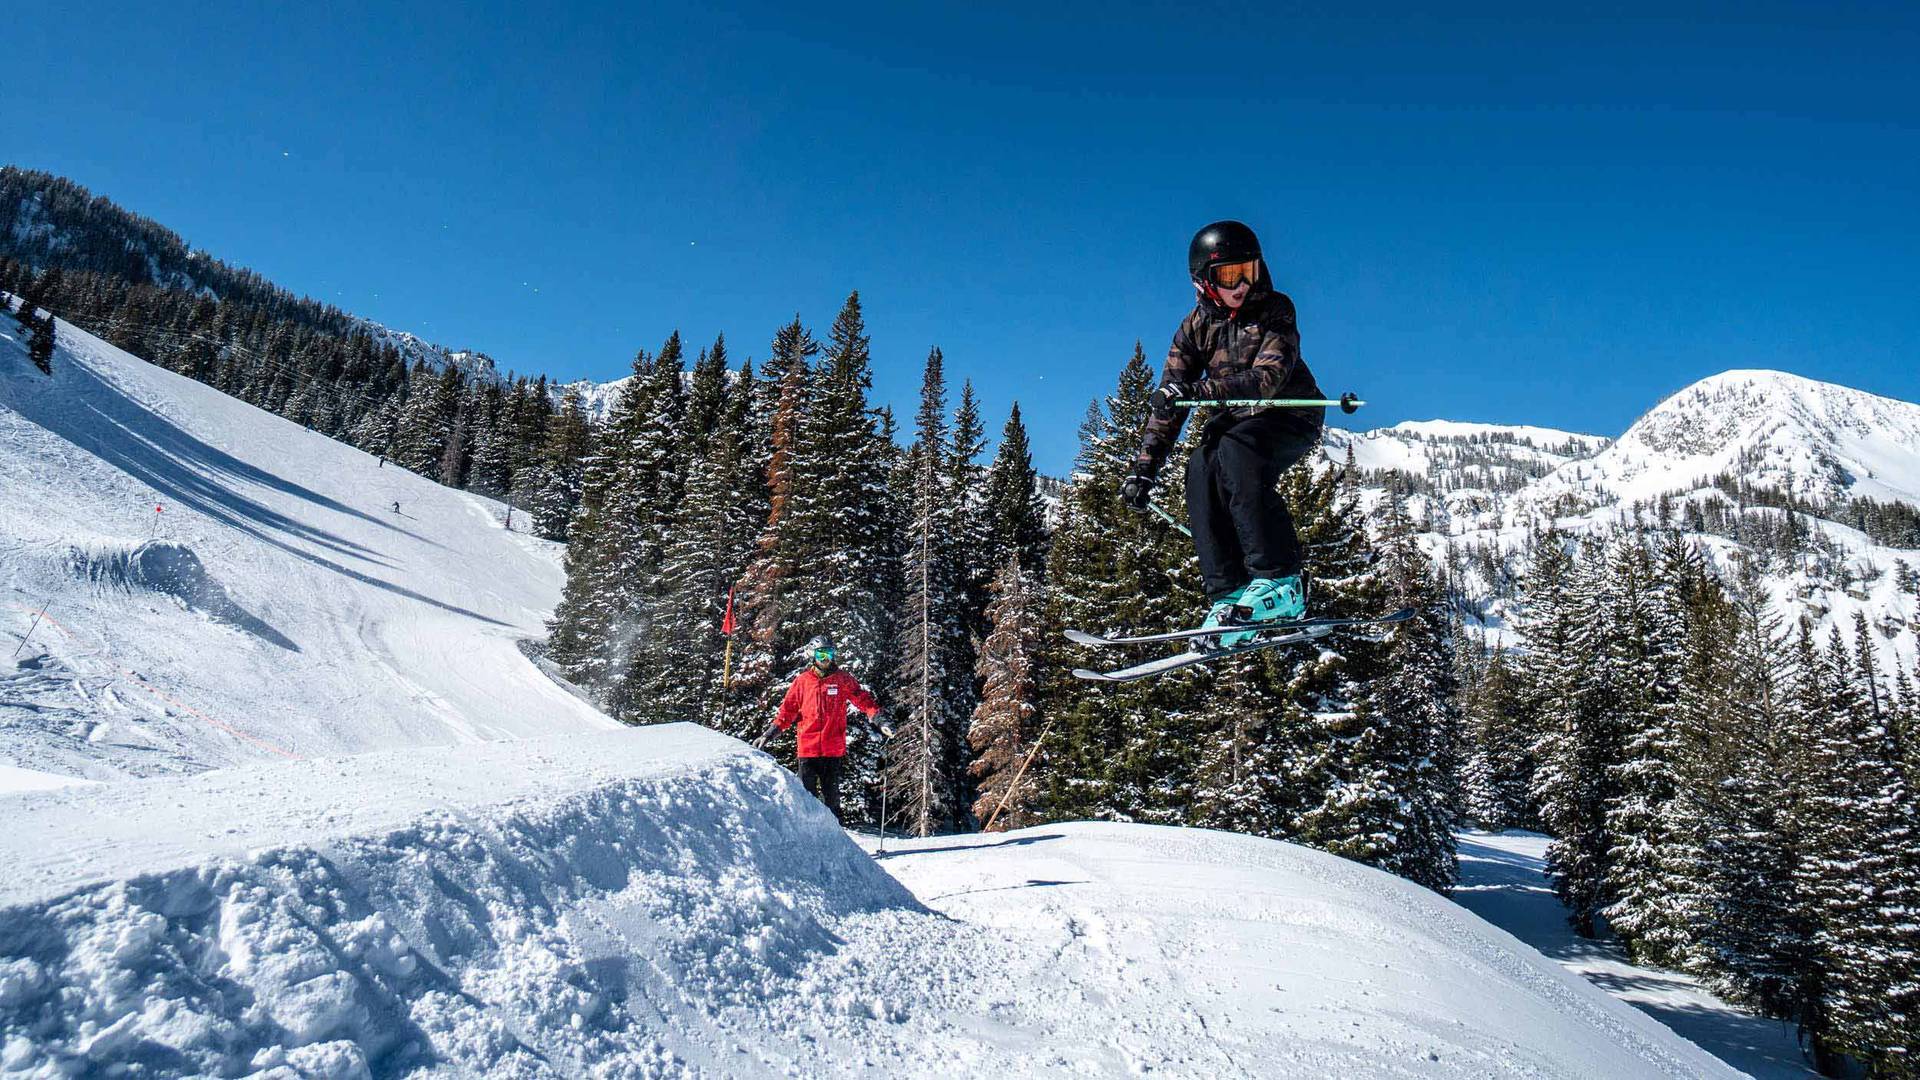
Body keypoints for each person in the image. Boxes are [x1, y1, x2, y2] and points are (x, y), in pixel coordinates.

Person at [1120, 220, 1324, 649]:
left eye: (1249, 269)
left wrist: (1199, 390)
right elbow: (1170, 404)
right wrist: (1144, 469)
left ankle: (1280, 581)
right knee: (1200, 466)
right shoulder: (1195, 328)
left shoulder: (1275, 310)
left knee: (1235, 452)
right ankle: (1229, 591)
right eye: (1230, 275)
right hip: (1236, 421)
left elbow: (1269, 376)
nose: (1243, 284)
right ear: (1204, 283)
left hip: (1290, 413)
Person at [761, 635, 880, 824]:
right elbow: (788, 711)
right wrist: (772, 731)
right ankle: (808, 842)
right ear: (812, 655)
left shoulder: (842, 679)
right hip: (808, 750)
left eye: (829, 653)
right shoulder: (802, 681)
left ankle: (837, 842)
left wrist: (877, 716)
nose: (826, 658)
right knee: (806, 800)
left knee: (832, 801)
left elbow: (861, 698)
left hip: (832, 750)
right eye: (821, 653)